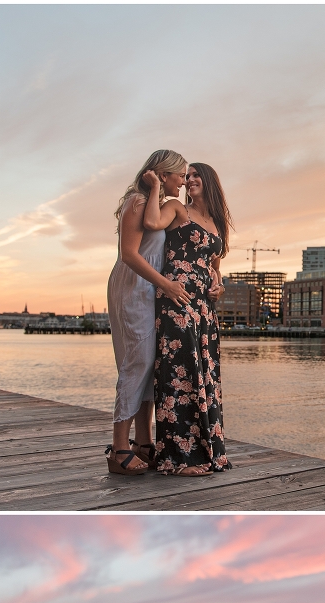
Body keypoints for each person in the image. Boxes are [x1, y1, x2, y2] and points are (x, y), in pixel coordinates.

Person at [142, 163, 233, 476]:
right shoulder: (176, 208)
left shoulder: (216, 222)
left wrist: (219, 283)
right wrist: (155, 186)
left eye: (196, 175)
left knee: (203, 377)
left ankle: (206, 452)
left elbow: (214, 262)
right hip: (177, 300)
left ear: (209, 181)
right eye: (187, 175)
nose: (190, 180)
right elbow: (152, 221)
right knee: (178, 375)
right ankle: (178, 459)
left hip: (205, 309)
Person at [106, 150, 192, 475]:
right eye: (180, 175)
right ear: (162, 174)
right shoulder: (137, 202)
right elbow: (129, 254)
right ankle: (118, 448)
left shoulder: (155, 205)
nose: (184, 181)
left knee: (147, 366)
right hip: (133, 288)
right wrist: (167, 285)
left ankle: (143, 443)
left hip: (148, 289)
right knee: (136, 361)